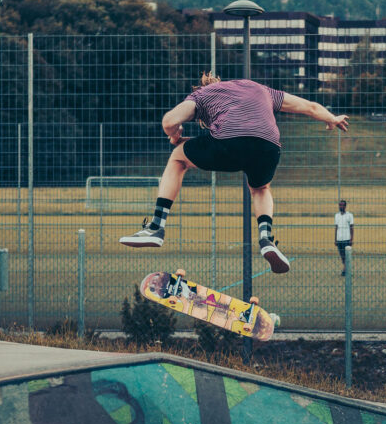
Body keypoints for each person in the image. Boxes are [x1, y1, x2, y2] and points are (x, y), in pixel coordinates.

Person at [120, 72, 350, 274]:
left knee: (178, 159)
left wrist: (174, 135)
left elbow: (169, 120)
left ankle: (156, 228)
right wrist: (332, 118)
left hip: (229, 141)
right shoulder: (260, 89)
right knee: (260, 188)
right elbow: (309, 106)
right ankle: (266, 239)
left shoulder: (201, 96)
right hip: (269, 145)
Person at [334, 199, 354, 276]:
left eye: (342, 205)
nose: (341, 206)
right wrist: (335, 239)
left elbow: (352, 227)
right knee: (342, 255)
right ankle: (346, 268)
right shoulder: (337, 215)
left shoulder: (349, 215)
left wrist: (351, 239)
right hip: (339, 239)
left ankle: (345, 270)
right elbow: (336, 228)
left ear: (345, 206)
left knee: (346, 255)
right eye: (340, 205)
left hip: (346, 238)